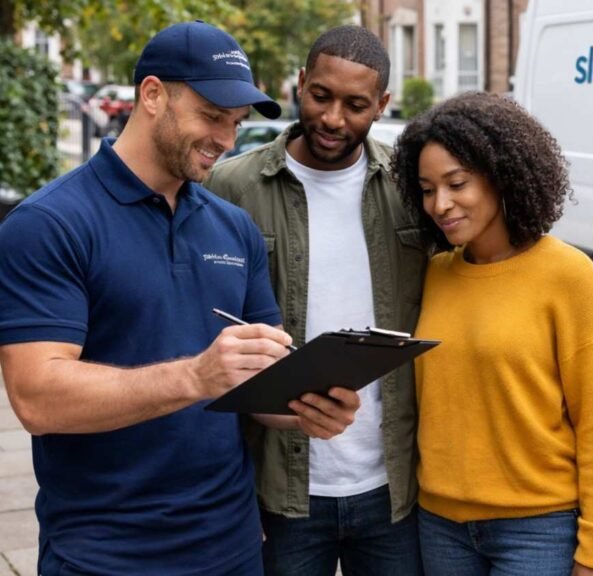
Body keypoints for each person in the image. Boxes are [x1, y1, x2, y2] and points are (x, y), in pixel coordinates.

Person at [0, 21, 361, 575]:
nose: (226, 139)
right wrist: (195, 376)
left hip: (233, 548)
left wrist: (307, 408)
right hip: (104, 556)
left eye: (236, 124)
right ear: (152, 95)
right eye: (212, 116)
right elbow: (37, 398)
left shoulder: (234, 229)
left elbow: (259, 384)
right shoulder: (49, 224)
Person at [205, 25, 428, 575]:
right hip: (280, 487)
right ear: (300, 83)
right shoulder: (231, 187)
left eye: (355, 105)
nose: (333, 119)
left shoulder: (410, 189)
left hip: (392, 486)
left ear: (382, 105)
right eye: (321, 96)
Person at [391, 91, 593, 576]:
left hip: (537, 529)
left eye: (457, 183)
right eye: (426, 188)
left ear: (502, 176)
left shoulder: (570, 277)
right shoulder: (435, 274)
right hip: (439, 525)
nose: (440, 204)